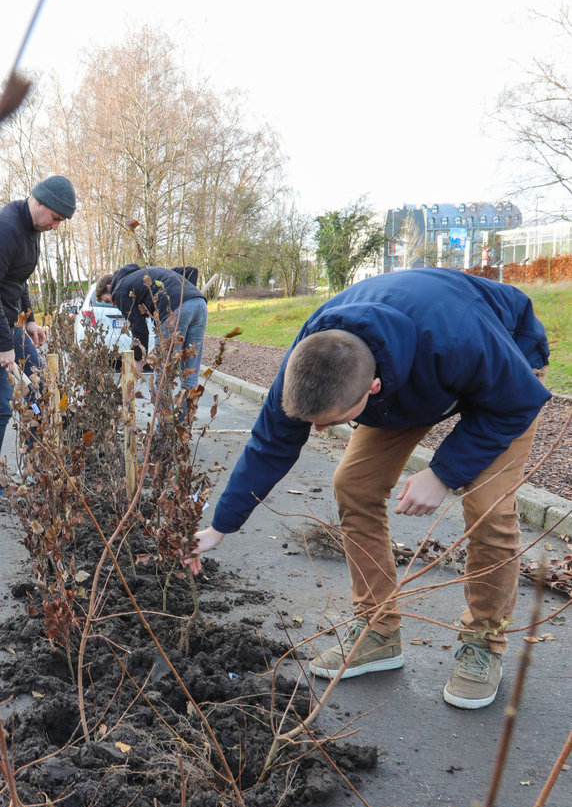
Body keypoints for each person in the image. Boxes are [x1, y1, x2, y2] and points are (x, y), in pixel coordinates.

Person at [185, 269, 551, 711]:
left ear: (372, 388)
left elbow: (517, 403)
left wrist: (442, 473)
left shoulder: (459, 338)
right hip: (415, 379)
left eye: (333, 421)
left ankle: (483, 641)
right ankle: (378, 630)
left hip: (501, 372)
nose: (319, 430)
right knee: (353, 483)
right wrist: (220, 527)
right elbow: (270, 444)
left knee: (488, 506)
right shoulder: (310, 358)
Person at [0, 175, 76, 503]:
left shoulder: (31, 230)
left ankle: (33, 469)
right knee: (2, 400)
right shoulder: (4, 229)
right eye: (56, 218)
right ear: (40, 203)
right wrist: (4, 345)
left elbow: (18, 281)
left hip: (8, 325)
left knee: (41, 388)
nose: (56, 226)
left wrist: (30, 321)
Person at [94, 263, 209, 396]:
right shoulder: (145, 274)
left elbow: (139, 327)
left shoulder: (118, 290)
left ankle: (165, 416)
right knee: (190, 375)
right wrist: (188, 299)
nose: (112, 304)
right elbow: (190, 270)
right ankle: (187, 416)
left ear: (109, 287)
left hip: (173, 312)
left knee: (163, 378)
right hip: (199, 304)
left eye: (108, 300)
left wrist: (138, 359)